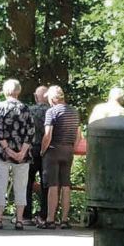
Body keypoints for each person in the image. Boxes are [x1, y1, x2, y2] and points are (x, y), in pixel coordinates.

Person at [0, 79, 35, 230]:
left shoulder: (0, 107)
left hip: (2, 153)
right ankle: (19, 220)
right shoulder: (26, 108)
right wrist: (22, 152)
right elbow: (31, 132)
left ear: (5, 91)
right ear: (19, 91)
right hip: (22, 154)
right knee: (21, 186)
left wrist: (8, 150)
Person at [39, 85, 82, 229]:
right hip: (68, 150)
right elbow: (78, 135)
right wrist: (72, 148)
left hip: (53, 150)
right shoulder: (74, 112)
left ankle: (50, 219)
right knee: (66, 185)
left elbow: (48, 135)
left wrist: (42, 150)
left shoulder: (51, 112)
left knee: (53, 185)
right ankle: (64, 219)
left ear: (52, 98)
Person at [25, 86, 50, 225]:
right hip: (47, 150)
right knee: (46, 183)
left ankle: (26, 215)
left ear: (36, 96)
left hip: (32, 148)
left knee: (27, 182)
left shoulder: (29, 110)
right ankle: (45, 215)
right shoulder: (52, 111)